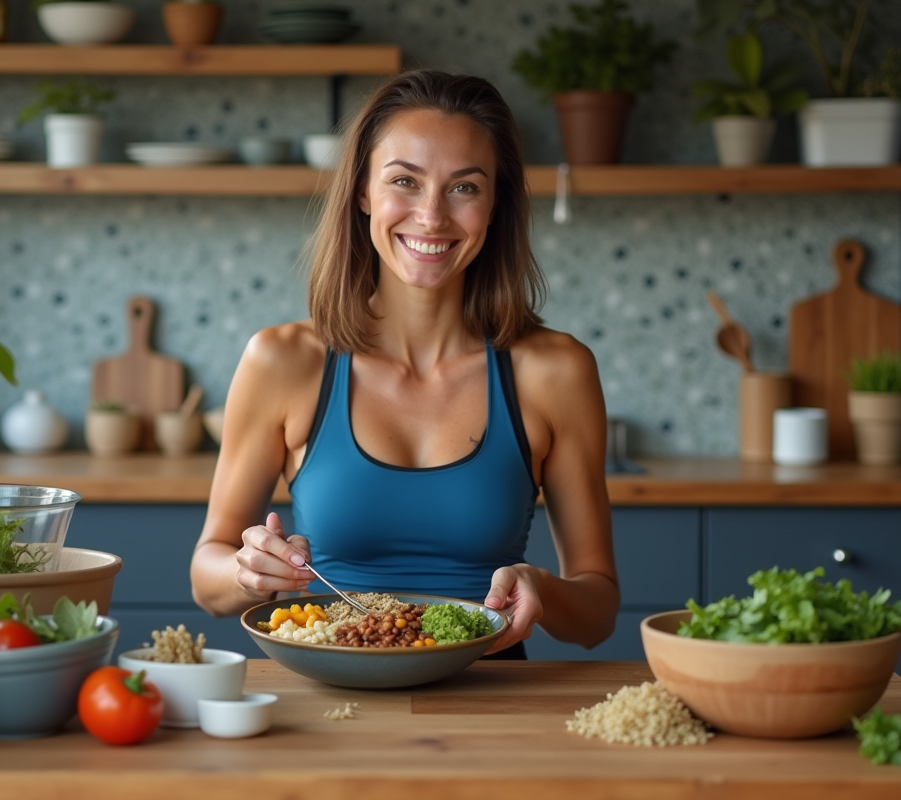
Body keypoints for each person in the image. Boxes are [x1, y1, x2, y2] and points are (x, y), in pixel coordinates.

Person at [190, 69, 619, 656]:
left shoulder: (555, 371)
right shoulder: (283, 362)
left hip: (488, 706)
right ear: (364, 191)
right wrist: (246, 572)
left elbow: (596, 613)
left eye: (464, 187)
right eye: (405, 181)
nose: (432, 216)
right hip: (333, 703)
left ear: (495, 205)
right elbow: (206, 579)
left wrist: (542, 587)